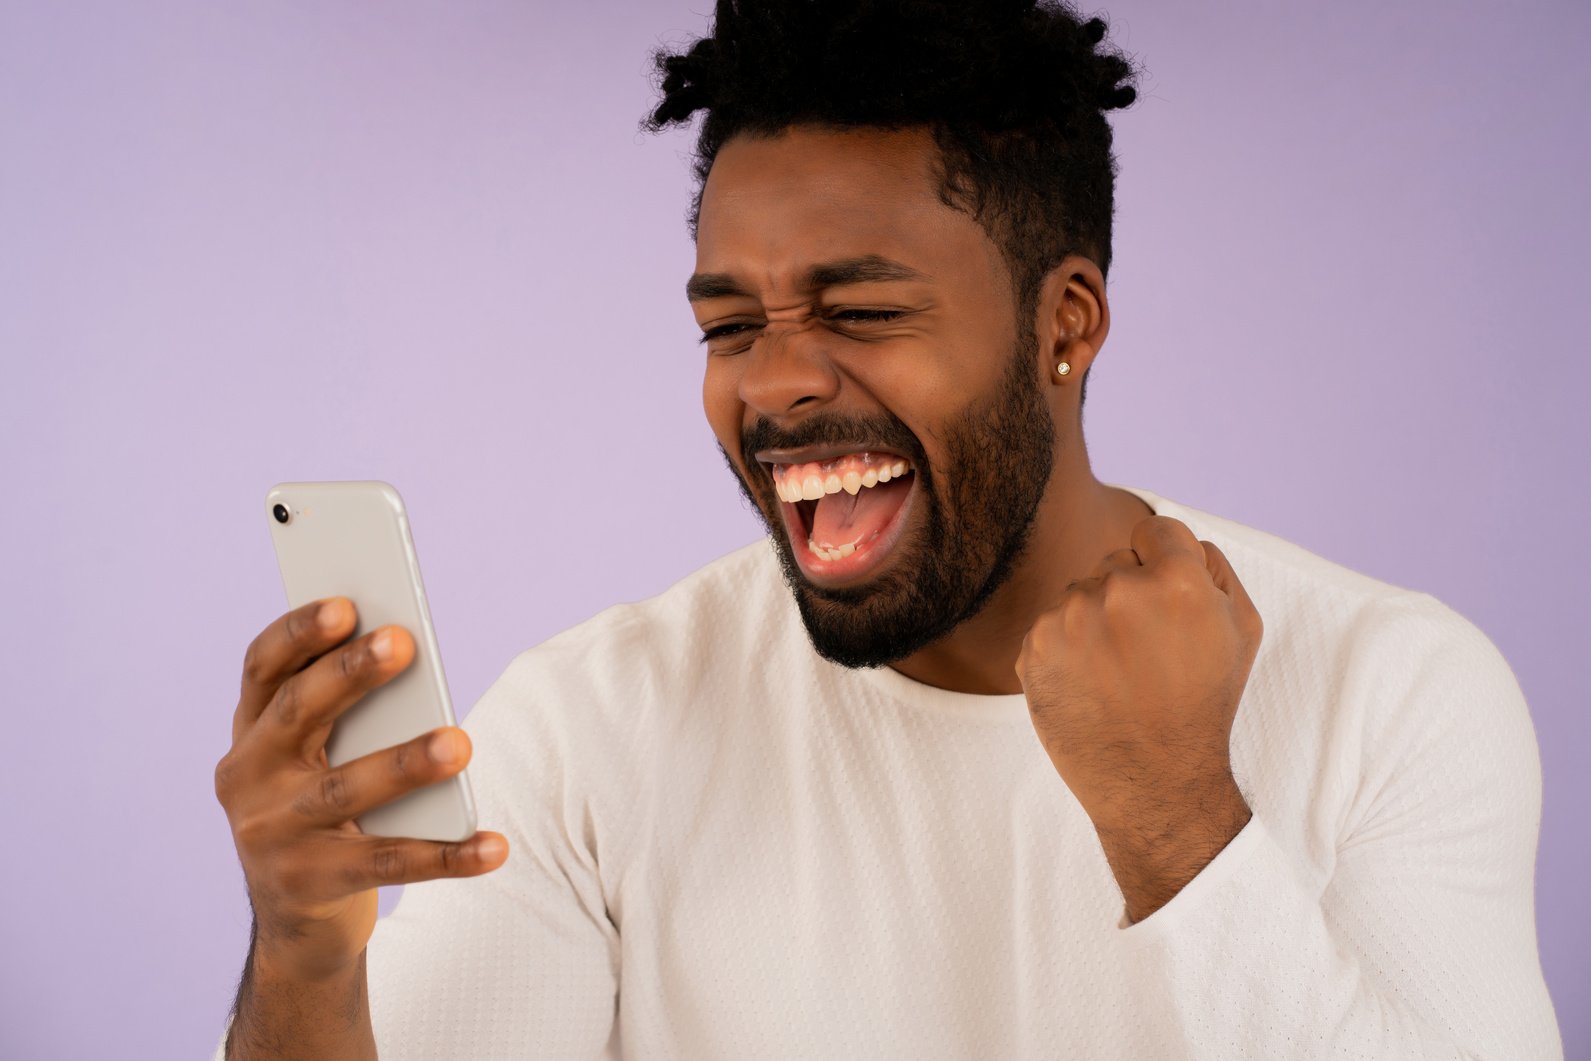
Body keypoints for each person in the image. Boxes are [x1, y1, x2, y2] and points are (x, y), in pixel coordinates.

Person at [213, 1, 1562, 1057]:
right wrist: (303, 958)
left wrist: (1180, 821)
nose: (777, 378)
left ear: (1066, 324)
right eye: (730, 324)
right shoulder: (588, 728)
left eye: (859, 311)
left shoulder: (1391, 689)